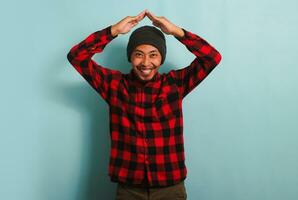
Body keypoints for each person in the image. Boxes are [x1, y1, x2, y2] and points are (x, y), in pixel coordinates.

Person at [67, 9, 222, 200]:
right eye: (139, 54)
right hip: (129, 188)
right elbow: (76, 56)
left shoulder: (176, 84)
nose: (146, 62)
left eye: (153, 54)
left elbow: (212, 57)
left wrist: (176, 31)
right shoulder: (114, 85)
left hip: (170, 188)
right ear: (130, 57)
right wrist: (113, 31)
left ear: (161, 58)